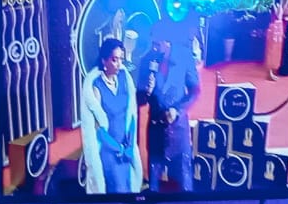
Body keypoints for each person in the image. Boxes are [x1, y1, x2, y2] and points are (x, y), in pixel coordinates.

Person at [136, 21, 201, 192]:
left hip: (178, 129)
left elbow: (195, 91)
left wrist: (177, 110)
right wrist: (146, 92)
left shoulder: (184, 56)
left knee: (183, 183)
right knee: (154, 186)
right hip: (155, 130)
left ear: (168, 42)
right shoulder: (146, 60)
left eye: (157, 44)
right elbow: (140, 100)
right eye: (153, 43)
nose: (154, 48)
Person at [80, 39, 142, 195]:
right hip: (110, 152)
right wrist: (119, 149)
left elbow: (131, 115)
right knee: (118, 194)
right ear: (104, 61)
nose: (119, 64)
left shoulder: (124, 78)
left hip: (126, 148)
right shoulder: (96, 88)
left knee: (130, 191)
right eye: (115, 59)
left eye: (121, 59)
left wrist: (130, 146)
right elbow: (99, 131)